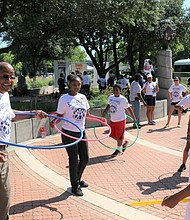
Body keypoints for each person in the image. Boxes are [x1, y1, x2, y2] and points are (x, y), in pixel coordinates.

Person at [0, 62, 47, 220]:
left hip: (3, 151)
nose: (9, 80)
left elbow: (10, 113)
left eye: (12, 77)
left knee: (4, 195)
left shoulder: (5, 95)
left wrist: (32, 113)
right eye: (4, 76)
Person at [52, 74, 106, 197]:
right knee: (73, 160)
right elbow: (60, 115)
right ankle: (74, 186)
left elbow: (87, 115)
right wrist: (53, 122)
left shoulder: (82, 97)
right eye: (74, 85)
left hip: (81, 132)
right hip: (68, 133)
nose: (76, 87)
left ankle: (78, 178)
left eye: (78, 85)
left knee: (85, 158)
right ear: (69, 85)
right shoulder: (64, 99)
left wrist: (100, 120)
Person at [102, 84, 136, 157]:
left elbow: (128, 109)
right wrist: (105, 111)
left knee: (120, 136)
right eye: (114, 90)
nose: (115, 92)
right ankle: (124, 142)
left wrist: (134, 118)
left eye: (117, 90)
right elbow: (109, 105)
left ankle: (119, 150)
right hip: (113, 119)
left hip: (121, 120)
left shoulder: (123, 99)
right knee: (111, 134)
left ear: (120, 91)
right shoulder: (110, 97)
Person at [173, 95, 190, 173]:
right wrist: (180, 107)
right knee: (188, 144)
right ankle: (183, 164)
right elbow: (177, 106)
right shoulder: (189, 97)